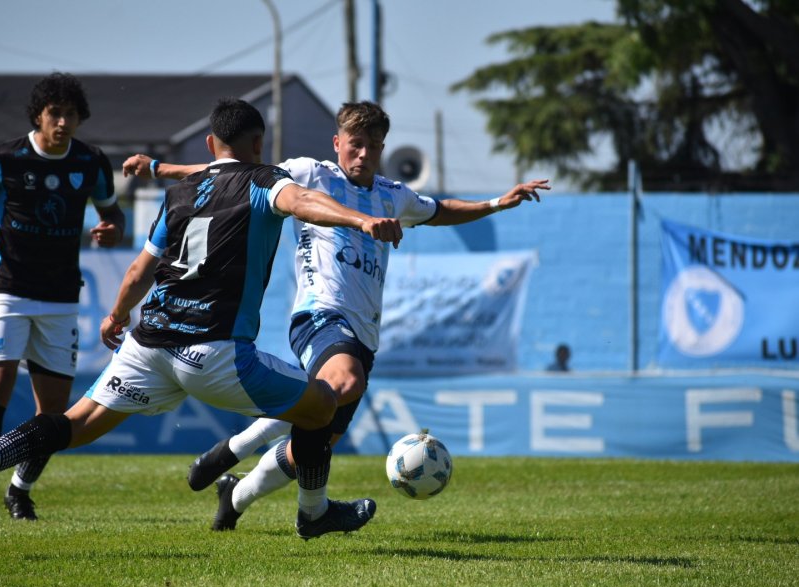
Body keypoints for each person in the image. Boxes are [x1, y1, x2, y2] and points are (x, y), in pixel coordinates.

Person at [0, 97, 402, 540]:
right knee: (322, 405)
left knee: (73, 423)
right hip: (214, 352)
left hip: (148, 343)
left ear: (210, 144)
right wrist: (361, 219)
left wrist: (116, 315)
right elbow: (305, 202)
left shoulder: (181, 193)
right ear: (259, 145)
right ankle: (313, 513)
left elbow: (139, 270)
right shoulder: (265, 181)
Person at [122, 100, 549, 532]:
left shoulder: (392, 194)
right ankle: (244, 455)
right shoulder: (309, 173)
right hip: (319, 315)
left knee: (312, 443)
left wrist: (497, 202)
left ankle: (234, 497)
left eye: (373, 146)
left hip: (363, 335)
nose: (363, 154)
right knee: (343, 383)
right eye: (355, 144)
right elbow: (229, 171)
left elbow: (440, 211)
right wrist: (159, 169)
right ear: (337, 143)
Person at [0, 72, 125, 525]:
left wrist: (114, 228)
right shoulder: (5, 157)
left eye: (71, 114)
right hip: (9, 291)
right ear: (38, 115)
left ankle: (20, 490)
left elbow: (112, 211)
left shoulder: (92, 161)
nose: (63, 122)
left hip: (61, 297)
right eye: (55, 113)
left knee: (52, 412)